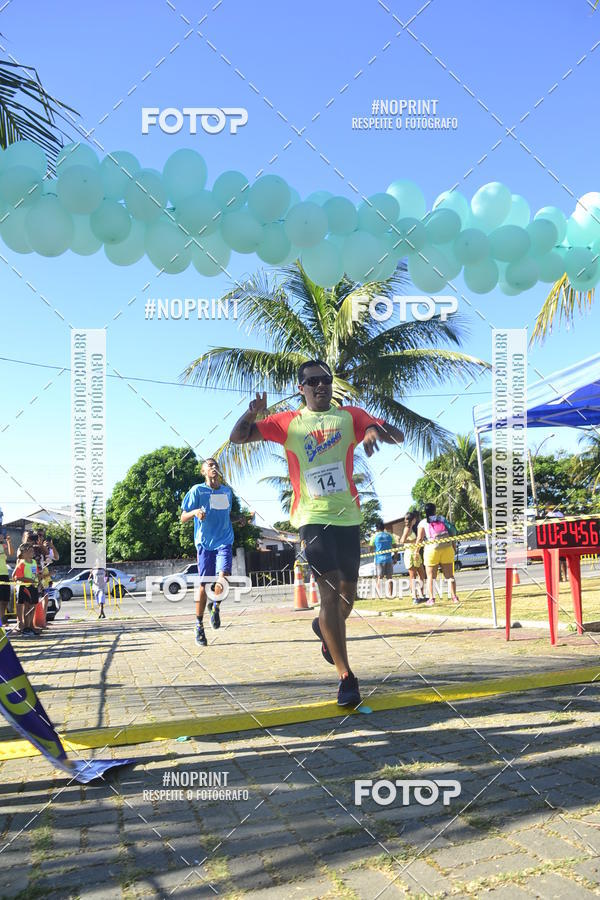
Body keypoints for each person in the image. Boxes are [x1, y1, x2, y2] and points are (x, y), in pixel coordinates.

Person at [230, 359, 405, 707]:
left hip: (349, 517)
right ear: (301, 388)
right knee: (328, 595)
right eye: (312, 381)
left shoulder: (350, 415)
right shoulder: (288, 422)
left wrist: (373, 428)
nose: (320, 386)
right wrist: (252, 414)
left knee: (347, 600)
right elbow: (237, 438)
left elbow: (397, 435)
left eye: (325, 380)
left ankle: (324, 631)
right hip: (311, 517)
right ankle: (346, 678)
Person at [181, 458, 240, 646]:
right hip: (205, 544)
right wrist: (195, 512)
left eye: (215, 465)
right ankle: (198, 625)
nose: (214, 467)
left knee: (223, 578)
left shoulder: (226, 492)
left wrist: (239, 519)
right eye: (209, 466)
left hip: (224, 541)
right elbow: (183, 517)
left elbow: (224, 515)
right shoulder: (197, 491)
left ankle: (215, 606)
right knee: (203, 585)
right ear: (203, 472)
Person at [416, 503, 458, 606]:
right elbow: (451, 533)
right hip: (447, 548)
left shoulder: (423, 522)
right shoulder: (442, 518)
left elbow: (420, 539)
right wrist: (453, 546)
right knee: (450, 575)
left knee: (431, 576)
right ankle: (454, 597)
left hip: (432, 549)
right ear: (435, 510)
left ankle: (432, 599)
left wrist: (416, 551)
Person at [12, 543, 41, 636]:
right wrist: (29, 580)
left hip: (34, 587)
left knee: (33, 607)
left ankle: (30, 626)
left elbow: (36, 574)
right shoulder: (22, 563)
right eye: (30, 551)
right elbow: (17, 577)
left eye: (33, 551)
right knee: (27, 607)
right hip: (25, 587)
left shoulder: (34, 562)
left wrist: (39, 581)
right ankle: (25, 628)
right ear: (24, 553)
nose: (32, 553)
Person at [400, 511, 426, 604]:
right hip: (410, 554)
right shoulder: (407, 528)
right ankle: (414, 597)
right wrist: (415, 540)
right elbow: (402, 540)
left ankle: (421, 594)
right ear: (413, 519)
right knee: (413, 576)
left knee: (422, 574)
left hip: (416, 553)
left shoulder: (412, 528)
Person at [369, 519, 396, 596]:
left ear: (376, 528)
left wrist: (374, 550)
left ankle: (378, 594)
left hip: (379, 560)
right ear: (384, 528)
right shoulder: (390, 535)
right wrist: (395, 558)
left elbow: (370, 548)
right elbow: (395, 547)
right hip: (388, 559)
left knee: (379, 578)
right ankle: (390, 594)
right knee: (389, 577)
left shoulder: (374, 536)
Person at [0, 532, 13, 627]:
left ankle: (2, 619)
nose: (1, 536)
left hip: (4, 574)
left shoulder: (2, 545)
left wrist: (8, 542)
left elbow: (11, 554)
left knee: (5, 600)